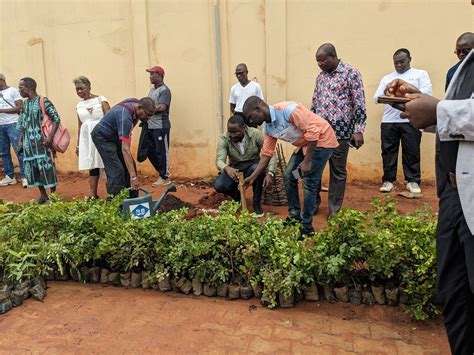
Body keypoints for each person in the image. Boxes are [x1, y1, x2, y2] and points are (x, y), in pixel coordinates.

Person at [385, 48, 473, 355]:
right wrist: (425, 108)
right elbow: (459, 119)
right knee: (453, 291)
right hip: (454, 193)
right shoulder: (468, 63)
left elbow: (453, 113)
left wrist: (440, 111)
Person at [242, 96, 338, 235]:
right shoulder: (268, 128)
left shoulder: (288, 110)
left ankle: (306, 227)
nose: (251, 121)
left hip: (321, 142)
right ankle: (294, 215)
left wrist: (307, 161)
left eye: (251, 117)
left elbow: (313, 130)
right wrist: (252, 177)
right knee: (290, 176)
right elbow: (267, 153)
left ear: (258, 108)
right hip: (305, 144)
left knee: (309, 182)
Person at [310, 43, 367, 218]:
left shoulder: (351, 74)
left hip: (341, 132)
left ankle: (334, 210)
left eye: (323, 60)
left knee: (338, 171)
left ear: (333, 56)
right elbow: (314, 103)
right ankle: (313, 205)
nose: (320, 64)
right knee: (315, 169)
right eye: (317, 61)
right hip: (319, 132)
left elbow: (359, 103)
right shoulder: (320, 77)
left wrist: (359, 130)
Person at [374, 48, 432, 194]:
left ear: (410, 59)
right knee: (388, 151)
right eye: (396, 63)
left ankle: (412, 181)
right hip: (389, 120)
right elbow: (376, 98)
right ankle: (388, 180)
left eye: (402, 62)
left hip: (411, 120)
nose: (399, 65)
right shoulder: (387, 78)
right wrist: (389, 93)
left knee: (411, 151)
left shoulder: (420, 74)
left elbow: (427, 95)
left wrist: (409, 90)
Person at [91, 97, 155, 198]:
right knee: (116, 170)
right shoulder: (125, 118)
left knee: (130, 167)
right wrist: (133, 178)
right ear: (139, 107)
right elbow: (125, 150)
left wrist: (132, 174)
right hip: (102, 137)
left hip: (114, 135)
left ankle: (132, 202)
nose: (148, 118)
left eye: (150, 116)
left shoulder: (135, 103)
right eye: (147, 115)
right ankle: (114, 204)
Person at [214, 115, 275, 217]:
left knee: (258, 169)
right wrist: (226, 168)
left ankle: (256, 203)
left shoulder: (255, 134)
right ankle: (238, 197)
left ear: (244, 128)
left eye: (236, 132)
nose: (232, 135)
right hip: (235, 168)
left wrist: (270, 172)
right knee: (219, 184)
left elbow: (270, 153)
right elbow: (219, 160)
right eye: (230, 132)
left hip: (253, 166)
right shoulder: (224, 138)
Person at [17, 77, 60, 204]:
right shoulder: (25, 105)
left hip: (43, 143)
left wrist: (50, 137)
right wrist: (20, 141)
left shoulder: (43, 101)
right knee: (33, 170)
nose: (19, 90)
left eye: (21, 87)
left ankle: (53, 196)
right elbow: (22, 124)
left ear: (29, 87)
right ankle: (43, 196)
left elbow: (56, 118)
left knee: (47, 169)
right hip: (28, 145)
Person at [73, 76, 110, 199]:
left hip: (102, 137)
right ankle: (93, 195)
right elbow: (80, 126)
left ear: (89, 87)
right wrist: (78, 145)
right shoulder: (79, 105)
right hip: (87, 140)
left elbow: (109, 118)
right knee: (93, 166)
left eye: (82, 88)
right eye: (77, 89)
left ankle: (112, 194)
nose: (79, 91)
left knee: (107, 164)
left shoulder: (101, 100)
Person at [146, 66, 172, 187]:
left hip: (161, 126)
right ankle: (161, 173)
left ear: (160, 75)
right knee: (151, 151)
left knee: (162, 152)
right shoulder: (152, 90)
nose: (150, 76)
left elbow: (162, 107)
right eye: (150, 74)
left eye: (152, 74)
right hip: (151, 126)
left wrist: (149, 110)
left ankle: (165, 177)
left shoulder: (164, 90)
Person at [0, 73, 25, 187]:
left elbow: (20, 107)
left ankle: (25, 176)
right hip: (1, 126)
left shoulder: (13, 91)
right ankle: (9, 176)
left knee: (19, 150)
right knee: (3, 152)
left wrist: (2, 111)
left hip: (13, 124)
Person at [229, 63, 264, 127]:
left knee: (252, 135)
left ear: (246, 72)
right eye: (237, 74)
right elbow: (232, 106)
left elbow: (261, 104)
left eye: (241, 73)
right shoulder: (234, 88)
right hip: (238, 116)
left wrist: (255, 116)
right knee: (239, 136)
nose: (239, 76)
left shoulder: (256, 86)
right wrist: (237, 115)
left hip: (251, 116)